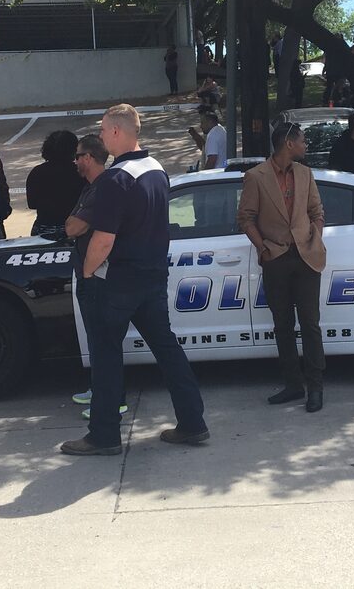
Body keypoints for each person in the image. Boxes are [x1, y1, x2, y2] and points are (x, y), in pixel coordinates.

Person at [61, 105, 208, 455]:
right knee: (168, 350)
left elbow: (103, 239)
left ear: (115, 132)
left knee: (106, 355)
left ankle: (104, 435)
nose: (99, 136)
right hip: (153, 276)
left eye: (102, 129)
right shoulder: (157, 169)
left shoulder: (116, 178)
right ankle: (192, 422)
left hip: (117, 281)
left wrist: (87, 272)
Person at [238, 122, 328, 413]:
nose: (305, 146)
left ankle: (316, 387)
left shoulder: (305, 173)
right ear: (288, 143)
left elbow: (317, 211)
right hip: (275, 258)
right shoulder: (256, 177)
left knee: (311, 324)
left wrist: (314, 237)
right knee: (283, 326)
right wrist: (262, 247)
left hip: (306, 256)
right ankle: (293, 384)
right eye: (302, 141)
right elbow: (246, 218)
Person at [63, 134, 128, 421]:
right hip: (90, 273)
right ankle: (99, 389)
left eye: (78, 156)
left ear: (88, 158)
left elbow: (73, 227)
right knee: (95, 338)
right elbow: (71, 224)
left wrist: (88, 273)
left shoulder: (104, 187)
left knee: (104, 341)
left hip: (100, 276)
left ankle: (113, 400)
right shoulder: (91, 187)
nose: (75, 161)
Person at [25, 130, 86, 236]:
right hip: (73, 229)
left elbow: (32, 204)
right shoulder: (80, 172)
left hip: (43, 228)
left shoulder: (37, 172)